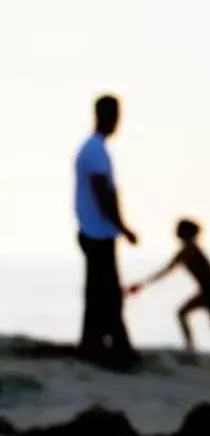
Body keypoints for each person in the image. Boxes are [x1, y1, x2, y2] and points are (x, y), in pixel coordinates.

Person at [74, 94, 139, 368]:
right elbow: (103, 194)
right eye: (115, 114)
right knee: (109, 293)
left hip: (96, 230)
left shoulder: (93, 149)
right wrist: (123, 227)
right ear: (104, 115)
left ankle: (94, 343)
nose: (117, 121)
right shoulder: (95, 151)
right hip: (98, 232)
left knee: (99, 291)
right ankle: (117, 348)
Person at [128, 218, 210, 359]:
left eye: (179, 229)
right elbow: (166, 270)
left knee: (188, 315)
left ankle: (193, 347)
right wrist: (142, 284)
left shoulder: (189, 251)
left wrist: (142, 284)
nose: (176, 231)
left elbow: (166, 271)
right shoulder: (188, 250)